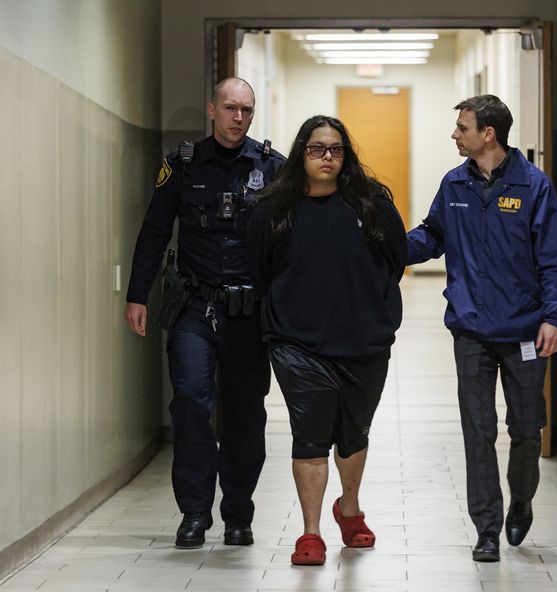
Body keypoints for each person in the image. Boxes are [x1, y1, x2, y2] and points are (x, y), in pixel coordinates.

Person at [406, 95, 557, 562]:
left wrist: (555, 318)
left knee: (526, 429)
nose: (454, 135)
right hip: (471, 332)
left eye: (462, 127)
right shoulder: (454, 183)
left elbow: (556, 261)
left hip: (524, 333)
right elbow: (432, 235)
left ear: (488, 135)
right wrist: (385, 247)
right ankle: (487, 528)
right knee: (477, 431)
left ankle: (521, 498)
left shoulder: (534, 187)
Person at [124, 77, 285, 549]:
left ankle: (238, 513)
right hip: (195, 307)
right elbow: (154, 232)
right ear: (211, 109)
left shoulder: (271, 167)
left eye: (247, 110)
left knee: (243, 414)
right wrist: (138, 295)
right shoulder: (182, 165)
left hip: (249, 312)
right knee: (192, 404)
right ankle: (195, 512)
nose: (239, 118)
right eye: (231, 108)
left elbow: (291, 240)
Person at [246, 115, 407, 566]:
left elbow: (395, 260)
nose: (327, 157)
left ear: (346, 155)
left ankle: (349, 508)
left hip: (364, 343)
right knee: (310, 434)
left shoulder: (372, 203)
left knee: (353, 434)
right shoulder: (274, 209)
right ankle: (311, 532)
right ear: (301, 153)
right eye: (317, 149)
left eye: (335, 149)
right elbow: (259, 268)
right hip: (297, 343)